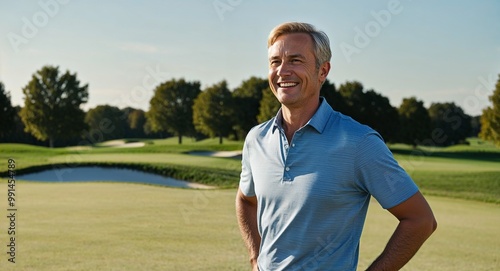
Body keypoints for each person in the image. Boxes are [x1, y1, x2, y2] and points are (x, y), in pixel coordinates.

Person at [235, 22, 437, 271]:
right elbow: (245, 200)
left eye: (296, 60)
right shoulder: (256, 139)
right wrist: (255, 258)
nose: (283, 71)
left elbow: (420, 220)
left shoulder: (359, 142)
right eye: (275, 62)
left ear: (323, 71)